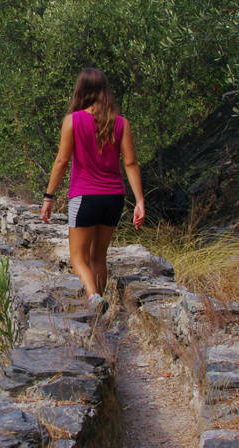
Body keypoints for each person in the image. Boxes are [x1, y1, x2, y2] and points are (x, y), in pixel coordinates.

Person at [40, 67, 145, 310]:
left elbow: (61, 161)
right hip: (113, 198)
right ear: (105, 91)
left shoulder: (73, 121)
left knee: (78, 258)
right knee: (99, 256)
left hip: (84, 196)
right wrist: (139, 200)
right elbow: (130, 163)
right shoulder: (121, 123)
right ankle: (98, 310)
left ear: (81, 91)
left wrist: (48, 196)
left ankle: (93, 298)